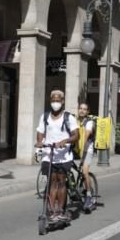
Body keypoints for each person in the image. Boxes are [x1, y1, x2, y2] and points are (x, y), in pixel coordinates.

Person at [36, 90, 79, 223]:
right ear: (50, 101)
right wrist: (39, 145)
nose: (56, 103)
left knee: (61, 183)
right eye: (53, 100)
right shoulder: (45, 117)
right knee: (52, 182)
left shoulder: (68, 117)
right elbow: (40, 133)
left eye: (58, 100)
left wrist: (65, 141)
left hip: (64, 156)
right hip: (49, 155)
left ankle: (60, 210)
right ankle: (52, 211)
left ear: (62, 101)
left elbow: (76, 135)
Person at [75, 103, 97, 210]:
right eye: (80, 109)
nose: (82, 111)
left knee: (84, 171)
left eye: (84, 109)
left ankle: (89, 196)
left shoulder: (89, 122)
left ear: (88, 111)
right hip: (78, 149)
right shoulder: (76, 121)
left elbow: (85, 136)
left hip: (87, 149)